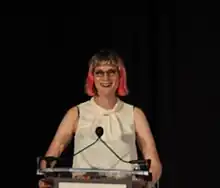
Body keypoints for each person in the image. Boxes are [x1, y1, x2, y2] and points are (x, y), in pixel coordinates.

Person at [38, 49, 162, 188]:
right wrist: (45, 175)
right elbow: (53, 153)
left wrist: (149, 182)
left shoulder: (135, 114)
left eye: (111, 72)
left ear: (120, 76)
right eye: (99, 73)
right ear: (92, 78)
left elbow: (152, 158)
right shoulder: (76, 113)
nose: (106, 78)